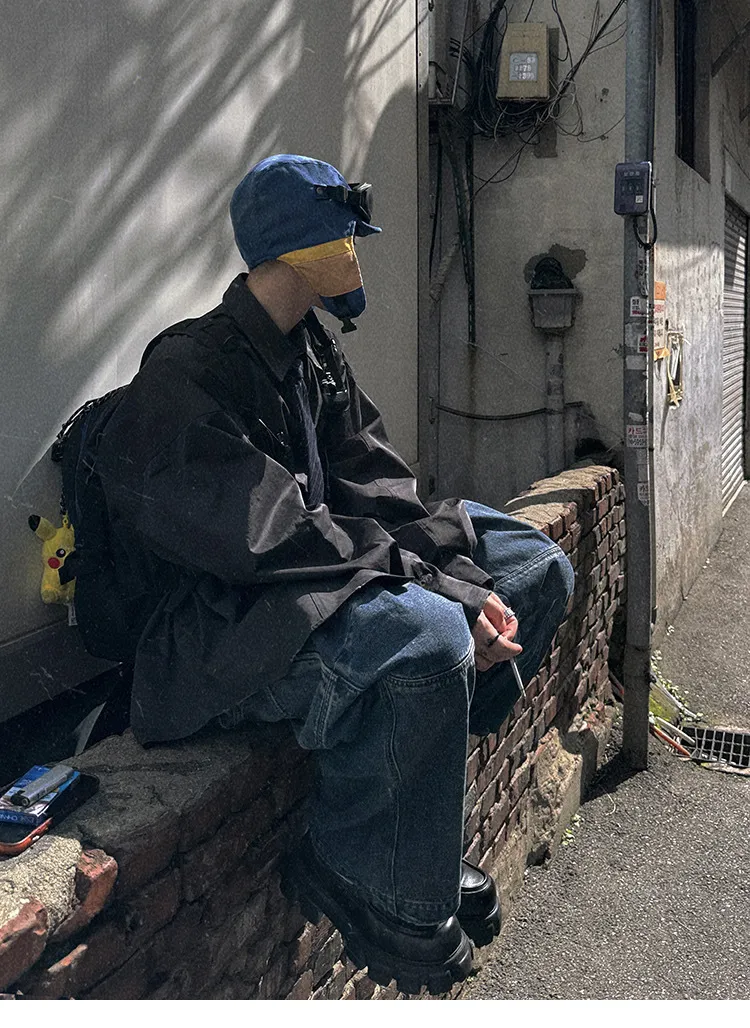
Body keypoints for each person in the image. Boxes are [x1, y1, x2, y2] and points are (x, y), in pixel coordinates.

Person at [96, 154, 574, 995]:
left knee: (536, 565)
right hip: (221, 630)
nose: (357, 251)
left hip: (314, 585)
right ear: (291, 247)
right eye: (342, 235)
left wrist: (462, 572)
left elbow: (378, 488)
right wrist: (441, 593)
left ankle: (405, 826)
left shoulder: (312, 349)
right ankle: (362, 866)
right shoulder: (188, 371)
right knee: (429, 637)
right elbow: (276, 538)